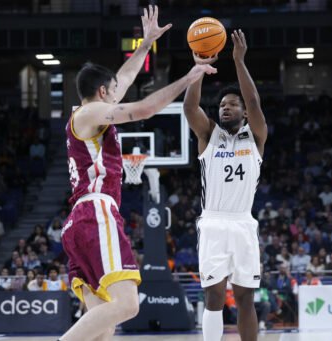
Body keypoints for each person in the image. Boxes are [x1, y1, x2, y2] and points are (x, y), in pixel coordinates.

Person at [59, 6, 216, 341]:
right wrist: (188, 78)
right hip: (95, 213)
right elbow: (143, 108)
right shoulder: (93, 112)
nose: (120, 91)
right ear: (103, 91)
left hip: (78, 219)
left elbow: (125, 78)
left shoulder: (88, 114)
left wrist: (144, 45)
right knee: (128, 305)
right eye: (114, 89)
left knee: (103, 327)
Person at [183, 29, 267, 341]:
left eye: (232, 104)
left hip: (243, 222)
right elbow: (190, 109)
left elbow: (255, 101)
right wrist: (198, 69)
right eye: (221, 105)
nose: (225, 108)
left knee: (246, 298)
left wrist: (238, 60)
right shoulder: (209, 135)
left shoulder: (256, 137)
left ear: (244, 113)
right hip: (214, 222)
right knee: (214, 299)